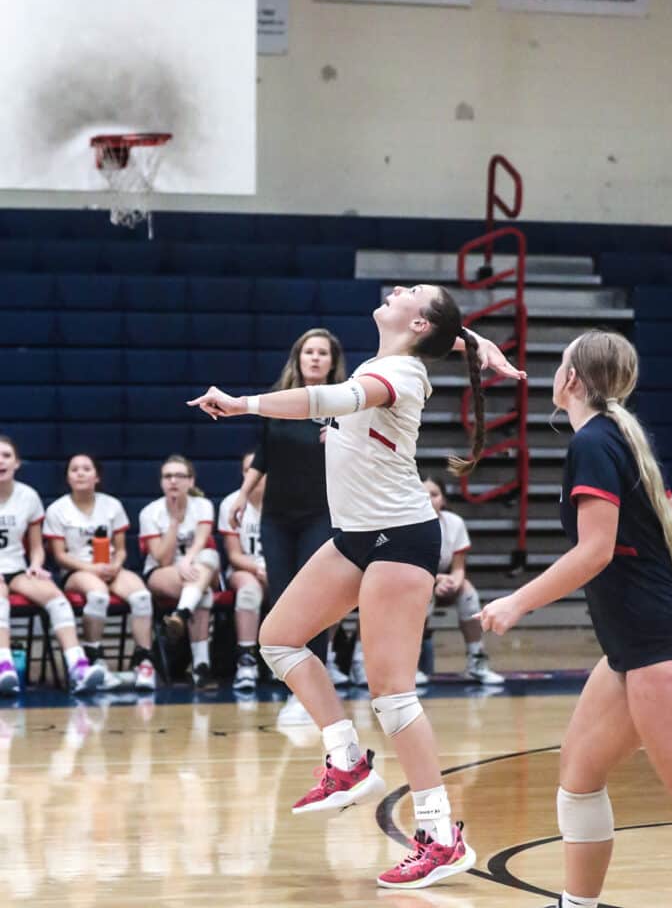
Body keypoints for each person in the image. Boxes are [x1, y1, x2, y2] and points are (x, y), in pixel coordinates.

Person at [189, 283, 525, 888]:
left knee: (393, 695)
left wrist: (243, 405)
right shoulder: (398, 353)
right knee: (280, 638)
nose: (395, 289)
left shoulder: (402, 372)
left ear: (418, 323)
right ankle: (345, 759)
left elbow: (336, 397)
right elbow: (434, 332)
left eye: (410, 291)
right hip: (355, 535)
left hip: (401, 537)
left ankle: (441, 835)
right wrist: (475, 342)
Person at [479, 330, 672, 908]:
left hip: (655, 646)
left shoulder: (595, 442)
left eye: (560, 363)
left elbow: (595, 550)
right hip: (634, 647)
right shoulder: (625, 438)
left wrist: (517, 601)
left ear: (570, 379)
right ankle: (578, 904)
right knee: (578, 776)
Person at [227, 328, 348, 723]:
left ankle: (314, 691)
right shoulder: (278, 401)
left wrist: (344, 439)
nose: (314, 358)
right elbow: (263, 455)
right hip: (277, 517)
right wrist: (244, 495)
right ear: (298, 358)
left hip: (320, 516)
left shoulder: (344, 404)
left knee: (313, 602)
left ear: (332, 362)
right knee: (281, 602)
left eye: (322, 353)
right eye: (308, 352)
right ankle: (297, 686)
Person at [0, 436, 105, 694]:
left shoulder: (28, 497)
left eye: (6, 455)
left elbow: (36, 546)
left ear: (17, 463)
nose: (0, 461)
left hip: (16, 568)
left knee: (56, 598)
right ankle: (5, 668)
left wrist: (36, 564)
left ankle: (77, 667)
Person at [44, 454, 155, 692]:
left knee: (141, 597)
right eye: (74, 469)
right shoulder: (57, 510)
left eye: (86, 468)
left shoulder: (112, 505)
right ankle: (94, 656)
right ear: (67, 477)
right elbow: (60, 555)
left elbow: (122, 549)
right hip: (77, 570)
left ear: (97, 476)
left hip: (110, 567)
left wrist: (116, 564)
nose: (80, 473)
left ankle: (144, 661)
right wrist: (91, 569)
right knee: (98, 595)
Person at [139, 455, 219, 688]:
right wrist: (174, 522)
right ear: (161, 482)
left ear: (191, 481)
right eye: (167, 476)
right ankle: (201, 668)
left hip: (200, 567)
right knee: (203, 594)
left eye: (180, 476)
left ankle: (181, 615)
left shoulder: (202, 505)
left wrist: (187, 560)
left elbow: (203, 540)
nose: (173, 481)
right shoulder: (150, 513)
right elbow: (162, 559)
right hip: (163, 572)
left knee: (210, 555)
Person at [420, 476, 503, 685]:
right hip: (413, 583)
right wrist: (434, 581)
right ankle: (408, 666)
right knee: (423, 594)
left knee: (468, 593)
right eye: (423, 495)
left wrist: (451, 583)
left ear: (444, 500)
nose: (429, 500)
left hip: (441, 580)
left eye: (434, 494)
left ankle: (476, 661)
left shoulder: (454, 523)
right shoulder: (406, 523)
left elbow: (458, 568)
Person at [218, 451, 268, 691]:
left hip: (278, 568)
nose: (255, 475)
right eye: (249, 470)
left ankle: (321, 659)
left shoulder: (284, 502)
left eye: (259, 469)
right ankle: (246, 660)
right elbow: (235, 556)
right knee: (249, 590)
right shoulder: (231, 503)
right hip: (245, 569)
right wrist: (260, 568)